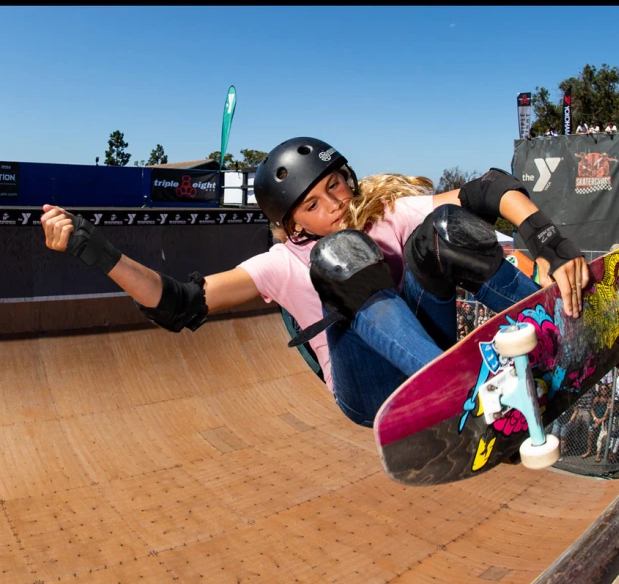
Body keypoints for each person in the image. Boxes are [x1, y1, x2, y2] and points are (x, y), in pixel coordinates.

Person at [40, 136, 590, 429]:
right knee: (340, 257)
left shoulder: (386, 214)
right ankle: (458, 391)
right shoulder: (280, 264)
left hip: (429, 344)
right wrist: (96, 251)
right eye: (313, 204)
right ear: (293, 223)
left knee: (441, 227)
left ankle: (560, 322)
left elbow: (487, 190)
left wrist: (555, 248)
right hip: (368, 389)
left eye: (336, 187)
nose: (335, 206)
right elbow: (180, 303)